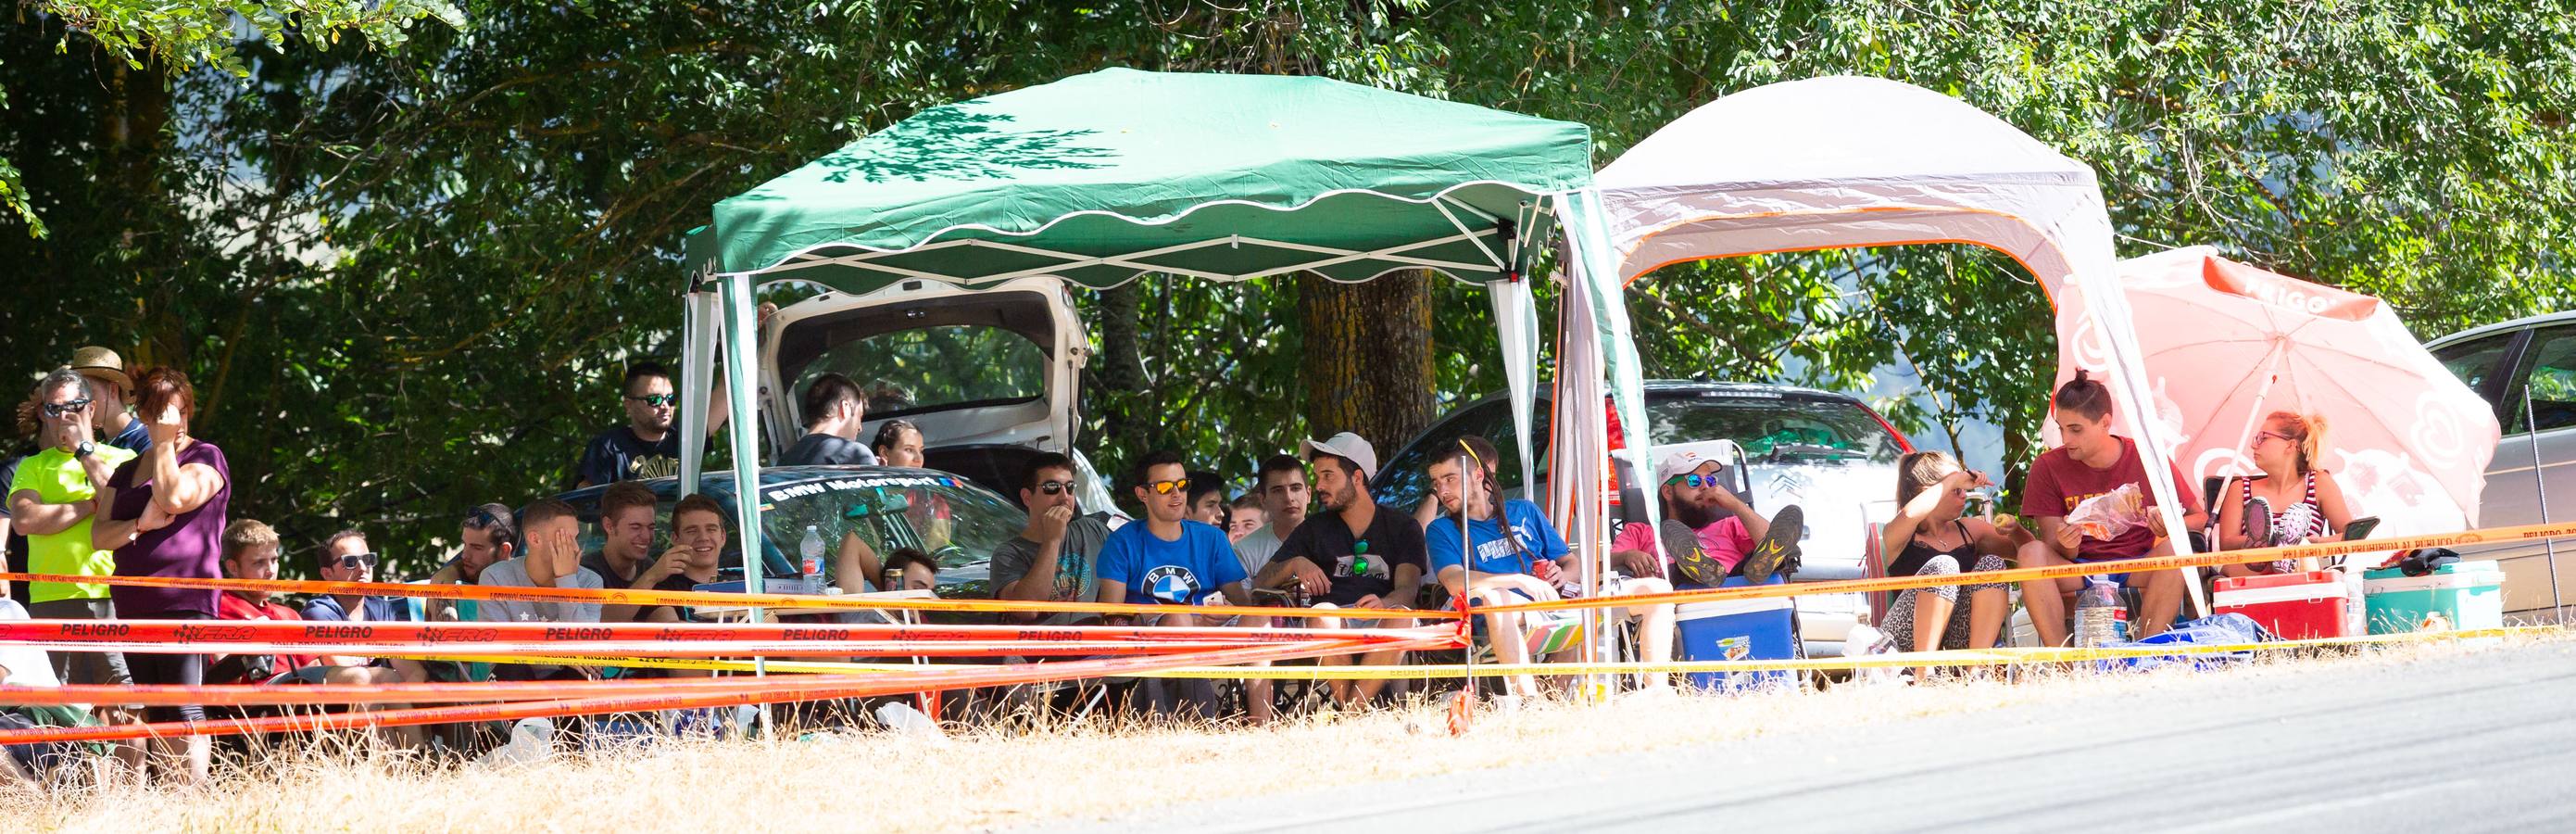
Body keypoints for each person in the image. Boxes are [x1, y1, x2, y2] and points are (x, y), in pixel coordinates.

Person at [1427, 435, 1677, 698]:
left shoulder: (1524, 510)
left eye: (1450, 479)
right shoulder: (1441, 529)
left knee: (1655, 588)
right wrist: (1520, 580)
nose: (1442, 491)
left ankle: (1655, 692)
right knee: (1497, 597)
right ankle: (1529, 701)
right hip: (1511, 612)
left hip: (1562, 603)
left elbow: (1571, 563)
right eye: (1436, 483)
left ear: (1478, 475)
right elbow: (1454, 580)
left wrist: (1562, 575)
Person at [87, 366, 227, 783]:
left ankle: (193, 800)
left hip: (185, 600)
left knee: (185, 705)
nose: (175, 423)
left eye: (181, 412)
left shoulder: (206, 456)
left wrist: (164, 445)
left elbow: (175, 496)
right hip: (132, 602)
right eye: (163, 414)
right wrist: (140, 525)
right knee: (152, 704)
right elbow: (100, 536)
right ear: (142, 414)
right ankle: (169, 798)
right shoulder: (125, 470)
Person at [2018, 371, 2207, 644]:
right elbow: (2051, 544)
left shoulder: (2147, 457)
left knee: (2178, 547)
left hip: (2138, 563)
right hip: (2077, 569)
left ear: (2105, 423)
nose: (2065, 439)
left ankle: (2145, 654)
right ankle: (2061, 660)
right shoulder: (2047, 466)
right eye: (2061, 428)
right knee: (2030, 552)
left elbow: (2199, 517)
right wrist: (2067, 542)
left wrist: (2171, 525)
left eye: (2076, 429)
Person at [1250, 434, 1426, 705]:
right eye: (1317, 476)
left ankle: (1350, 711)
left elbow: (1408, 589)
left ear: (1356, 477)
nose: (1319, 485)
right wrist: (1296, 563)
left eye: (1328, 476)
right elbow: (1260, 581)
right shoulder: (1313, 528)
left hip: (1382, 617)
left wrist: (1386, 602)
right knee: (1324, 613)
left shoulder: (1402, 527)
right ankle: (1356, 709)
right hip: (1332, 623)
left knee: (1402, 615)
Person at [1095, 450, 1251, 718]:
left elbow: (1242, 602)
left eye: (1182, 485)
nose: (1177, 494)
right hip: (1147, 631)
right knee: (1179, 620)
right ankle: (1190, 719)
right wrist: (1189, 620)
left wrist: (1219, 614)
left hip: (1208, 626)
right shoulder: (1122, 541)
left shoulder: (1212, 538)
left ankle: (1260, 721)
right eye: (1166, 487)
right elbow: (1111, 612)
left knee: (1262, 621)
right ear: (1142, 494)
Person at [9, 369, 139, 686]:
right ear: (44, 414)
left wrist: (84, 450)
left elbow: (122, 501)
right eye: (54, 408)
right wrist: (90, 506)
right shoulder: (33, 465)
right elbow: (25, 521)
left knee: (125, 705)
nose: (64, 415)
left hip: (114, 595)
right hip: (50, 598)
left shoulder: (124, 457)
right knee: (60, 707)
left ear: (91, 409)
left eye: (74, 406)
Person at [1876, 452, 2026, 674]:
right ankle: (1923, 672)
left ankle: (1976, 670)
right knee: (1944, 566)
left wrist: (2017, 532)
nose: (1964, 495)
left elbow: (2027, 552)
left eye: (1963, 488)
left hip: (1955, 640)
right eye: (1956, 490)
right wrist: (1953, 479)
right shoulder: (1898, 533)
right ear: (1927, 493)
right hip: (1906, 643)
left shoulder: (1969, 529)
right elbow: (1909, 514)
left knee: (1993, 564)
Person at [1607, 447, 1804, 588]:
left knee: (1764, 559)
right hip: (1684, 596)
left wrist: (1735, 504)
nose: (1705, 487)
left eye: (1709, 480)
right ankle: (1696, 566)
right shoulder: (1641, 531)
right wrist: (1627, 555)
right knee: (1678, 570)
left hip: (1741, 590)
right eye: (1694, 480)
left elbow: (1768, 541)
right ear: (1668, 491)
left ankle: (1708, 567)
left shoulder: (1730, 524)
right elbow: (1603, 563)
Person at [2217, 411, 2356, 576]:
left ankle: (2287, 556)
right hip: (2253, 570)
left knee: (2301, 560)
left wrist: (2306, 543)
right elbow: (2227, 543)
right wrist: (2271, 542)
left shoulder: (2319, 483)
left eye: (2263, 437)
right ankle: (2278, 556)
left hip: (2302, 570)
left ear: (2291, 446)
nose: (2254, 445)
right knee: (2238, 566)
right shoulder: (2239, 487)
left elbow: (2350, 537)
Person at [479, 498, 604, 680]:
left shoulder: (590, 581)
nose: (576, 548)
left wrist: (567, 581)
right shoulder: (496, 577)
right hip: (519, 678)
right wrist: (559, 653)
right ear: (535, 539)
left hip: (569, 677)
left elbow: (584, 647)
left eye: (576, 538)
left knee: (586, 670)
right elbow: (498, 649)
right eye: (566, 539)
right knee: (509, 668)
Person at [572, 361, 733, 488]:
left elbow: (726, 390)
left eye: (670, 399)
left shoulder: (684, 436)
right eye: (654, 400)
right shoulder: (608, 447)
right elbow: (585, 502)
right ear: (629, 405)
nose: (664, 406)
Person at [584, 482, 662, 623]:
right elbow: (598, 623)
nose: (646, 536)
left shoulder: (648, 566)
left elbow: (665, 620)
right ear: (609, 526)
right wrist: (651, 577)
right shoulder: (587, 571)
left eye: (651, 527)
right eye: (635, 527)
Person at [424, 503, 516, 623]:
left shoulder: (527, 581)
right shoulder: (449, 577)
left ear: (504, 551)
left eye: (477, 548)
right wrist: (446, 575)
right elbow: (446, 638)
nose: (464, 555)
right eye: (465, 544)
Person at [1232, 454, 1309, 579]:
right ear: (1263, 500)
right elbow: (1242, 599)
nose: (1289, 498)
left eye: (1295, 488)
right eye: (1278, 490)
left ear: (1308, 494)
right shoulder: (1244, 550)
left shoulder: (1333, 541)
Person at [780, 373, 878, 467]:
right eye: (859, 417)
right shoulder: (854, 454)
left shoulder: (785, 460)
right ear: (845, 408)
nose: (860, 428)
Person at [67, 347, 148, 453]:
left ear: (113, 390)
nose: (80, 402)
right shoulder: (99, 441)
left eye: (87, 391)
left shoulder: (144, 439)